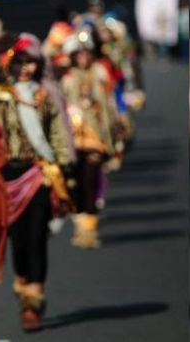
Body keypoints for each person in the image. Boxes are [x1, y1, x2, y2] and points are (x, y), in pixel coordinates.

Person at [0, 33, 73, 331]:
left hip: (38, 173)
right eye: (19, 62)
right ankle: (22, 289)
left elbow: (57, 132)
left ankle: (34, 298)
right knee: (17, 238)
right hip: (6, 177)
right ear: (9, 64)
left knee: (37, 238)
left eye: (30, 63)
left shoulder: (45, 96)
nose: (25, 68)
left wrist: (61, 166)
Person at [61, 26, 118, 249]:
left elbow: (109, 108)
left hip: (95, 137)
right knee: (74, 183)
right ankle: (79, 223)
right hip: (73, 140)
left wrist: (112, 136)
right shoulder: (67, 80)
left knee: (91, 181)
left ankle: (89, 229)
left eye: (86, 53)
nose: (83, 58)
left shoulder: (100, 74)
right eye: (78, 54)